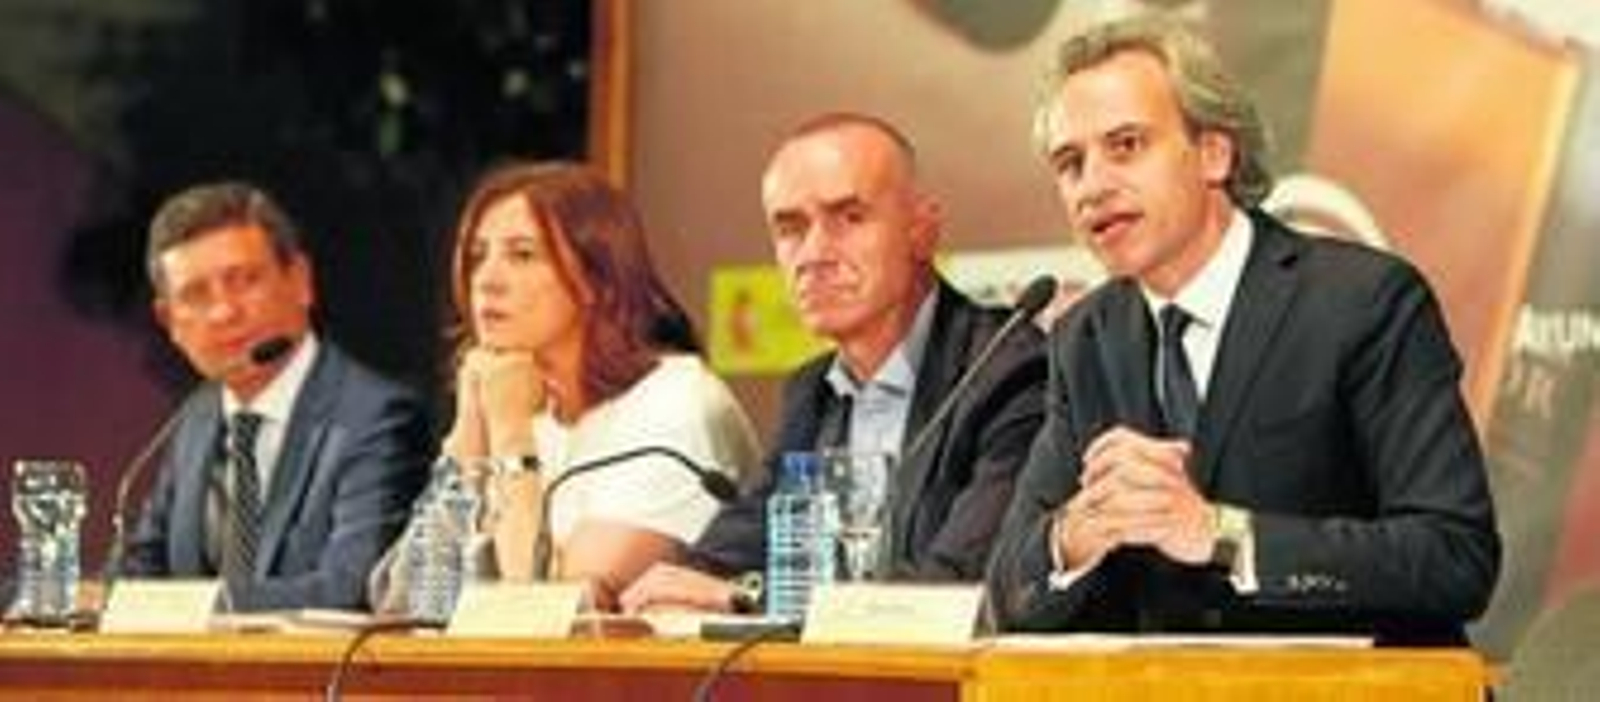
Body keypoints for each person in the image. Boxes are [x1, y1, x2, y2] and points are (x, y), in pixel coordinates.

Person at [986, 17, 1500, 645]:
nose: (1092, 185)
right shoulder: (1086, 337)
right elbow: (1009, 589)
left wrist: (1222, 535)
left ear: (1214, 153)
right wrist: (1076, 533)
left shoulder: (1363, 302)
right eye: (1070, 163)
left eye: (1125, 146)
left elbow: (1455, 559)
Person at [621, 113, 1047, 614]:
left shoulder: (1007, 368)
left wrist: (748, 597)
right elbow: (726, 553)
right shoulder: (813, 391)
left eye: (849, 217)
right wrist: (684, 585)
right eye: (790, 228)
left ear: (921, 231)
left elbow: (959, 587)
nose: (814, 253)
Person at [377, 161, 762, 612]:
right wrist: (468, 434)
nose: (487, 280)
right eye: (478, 256)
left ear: (596, 278)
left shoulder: (676, 399)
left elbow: (559, 611)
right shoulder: (516, 399)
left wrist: (512, 438)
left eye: (522, 255)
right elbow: (402, 604)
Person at [126, 181, 431, 611]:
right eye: (196, 295)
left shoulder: (377, 417)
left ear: (301, 280)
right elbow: (140, 572)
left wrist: (189, 608)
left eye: (243, 281)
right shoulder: (195, 419)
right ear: (169, 321)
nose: (224, 312)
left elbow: (353, 587)